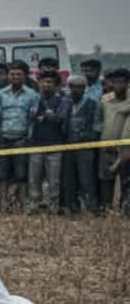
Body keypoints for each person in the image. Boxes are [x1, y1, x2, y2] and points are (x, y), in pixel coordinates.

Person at [0, 62, 40, 212]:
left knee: (21, 175)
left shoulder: (33, 95)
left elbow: (32, 119)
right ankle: (3, 205)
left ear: (25, 76)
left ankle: (22, 206)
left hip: (22, 139)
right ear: (8, 76)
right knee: (2, 175)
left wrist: (29, 137)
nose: (15, 77)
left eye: (19, 74)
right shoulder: (0, 94)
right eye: (12, 74)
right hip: (3, 139)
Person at [27, 71, 69, 213]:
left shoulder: (62, 100)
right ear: (39, 83)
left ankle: (53, 206)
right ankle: (34, 205)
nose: (46, 85)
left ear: (56, 85)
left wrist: (47, 116)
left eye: (50, 82)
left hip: (55, 144)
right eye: (43, 82)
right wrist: (41, 116)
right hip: (35, 143)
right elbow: (30, 116)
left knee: (54, 179)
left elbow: (61, 118)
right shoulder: (34, 99)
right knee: (34, 178)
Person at [62, 76, 101, 214]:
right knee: (69, 179)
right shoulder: (65, 103)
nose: (75, 89)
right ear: (68, 88)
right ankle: (72, 208)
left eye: (79, 87)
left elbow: (97, 127)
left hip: (85, 147)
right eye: (72, 86)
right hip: (68, 146)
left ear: (84, 88)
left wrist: (88, 139)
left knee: (87, 179)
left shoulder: (93, 104)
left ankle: (92, 208)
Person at [98, 68, 130, 215]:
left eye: (121, 82)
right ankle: (106, 209)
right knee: (106, 179)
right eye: (115, 82)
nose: (118, 85)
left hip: (125, 149)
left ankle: (125, 209)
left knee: (126, 179)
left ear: (127, 83)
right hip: (106, 146)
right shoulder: (105, 100)